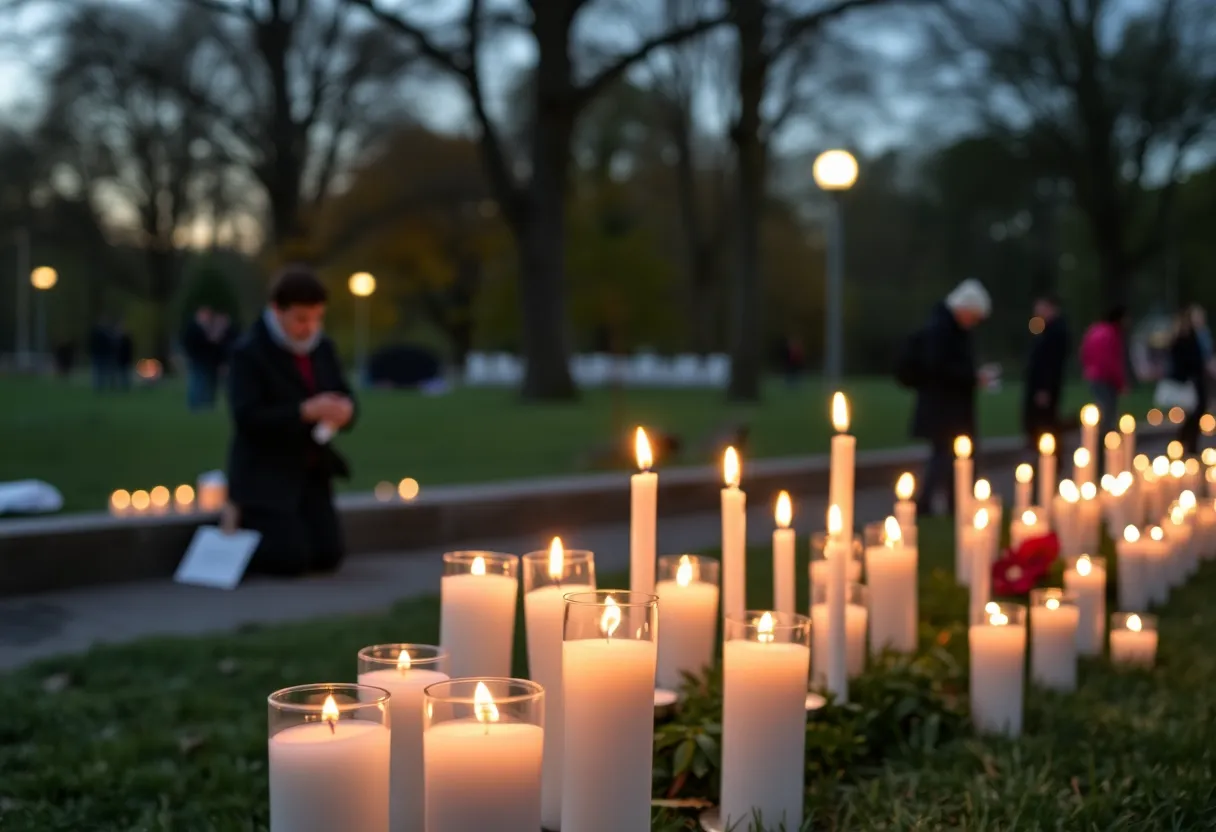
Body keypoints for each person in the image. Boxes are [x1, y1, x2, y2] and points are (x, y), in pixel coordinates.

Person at [227, 266, 357, 576]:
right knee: (289, 559)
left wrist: (345, 411)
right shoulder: (250, 352)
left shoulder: (322, 348)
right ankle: (239, 531)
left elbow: (343, 393)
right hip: (265, 475)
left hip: (310, 473)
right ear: (277, 310)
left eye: (317, 318)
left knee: (328, 555)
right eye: (301, 319)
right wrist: (303, 411)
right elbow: (247, 417)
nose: (309, 328)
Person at [907, 278, 993, 517]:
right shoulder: (941, 329)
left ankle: (954, 501)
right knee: (943, 457)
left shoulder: (949, 328)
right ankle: (928, 505)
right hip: (944, 408)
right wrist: (972, 377)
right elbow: (939, 367)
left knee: (948, 457)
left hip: (951, 407)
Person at [1023, 294, 1069, 449]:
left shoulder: (1056, 332)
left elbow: (1051, 363)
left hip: (1044, 387)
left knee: (1046, 423)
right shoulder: (1044, 328)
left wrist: (1045, 388)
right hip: (1038, 384)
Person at [1079, 305, 1127, 436]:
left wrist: (1087, 369)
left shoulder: (1094, 330)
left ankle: (1096, 437)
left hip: (1093, 376)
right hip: (1106, 378)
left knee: (1101, 407)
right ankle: (1106, 439)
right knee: (1108, 411)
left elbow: (1084, 352)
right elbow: (1112, 361)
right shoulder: (1111, 334)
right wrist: (1120, 382)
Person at [1167, 308, 1208, 453]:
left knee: (1197, 412)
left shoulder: (1198, 335)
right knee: (1194, 412)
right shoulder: (1183, 339)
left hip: (1197, 379)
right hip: (1190, 381)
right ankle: (1184, 442)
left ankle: (1188, 443)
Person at [183, 306, 217, 410]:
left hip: (202, 359)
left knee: (202, 381)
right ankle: (195, 403)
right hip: (197, 358)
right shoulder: (195, 328)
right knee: (197, 381)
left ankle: (201, 402)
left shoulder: (199, 327)